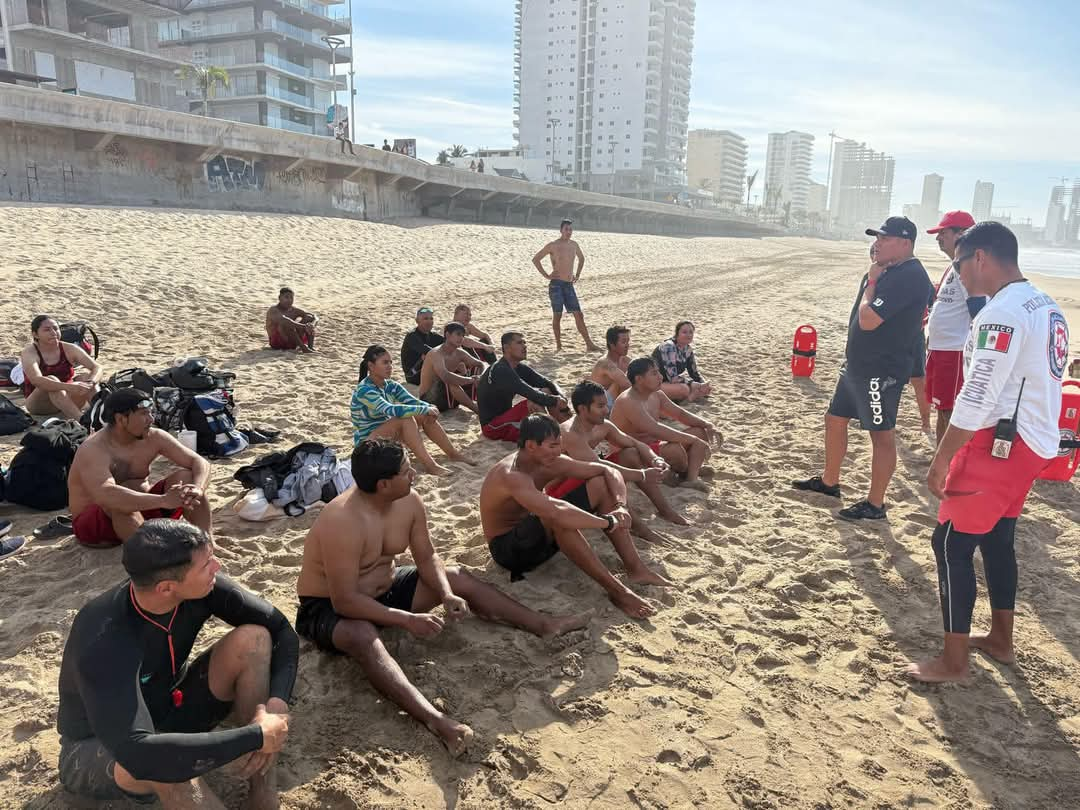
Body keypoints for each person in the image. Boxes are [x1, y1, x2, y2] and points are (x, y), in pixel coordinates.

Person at [295, 438, 589, 756]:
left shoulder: (408, 501)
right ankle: (436, 721)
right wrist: (407, 620)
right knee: (362, 633)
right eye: (406, 472)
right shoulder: (342, 520)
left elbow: (426, 556)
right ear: (383, 484)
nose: (414, 476)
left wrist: (446, 594)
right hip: (327, 607)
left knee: (456, 576)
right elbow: (344, 601)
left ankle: (543, 624)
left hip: (386, 590)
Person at [907, 222, 1069, 683]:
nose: (956, 274)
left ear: (980, 258)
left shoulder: (1004, 312)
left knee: (950, 544)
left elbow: (978, 394)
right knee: (998, 539)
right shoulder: (1045, 303)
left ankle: (953, 663)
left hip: (1003, 444)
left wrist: (941, 460)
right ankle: (1001, 640)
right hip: (1034, 439)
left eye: (958, 263)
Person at [56, 520, 296, 808]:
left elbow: (282, 630)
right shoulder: (104, 638)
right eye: (207, 563)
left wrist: (276, 705)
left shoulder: (201, 588)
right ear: (167, 588)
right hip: (99, 748)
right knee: (171, 770)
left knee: (254, 639)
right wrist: (255, 736)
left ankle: (262, 792)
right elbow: (140, 752)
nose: (217, 567)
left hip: (168, 709)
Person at [792, 216, 934, 521]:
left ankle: (875, 503)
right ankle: (830, 482)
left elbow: (868, 320)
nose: (878, 243)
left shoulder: (908, 275)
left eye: (885, 238)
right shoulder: (888, 270)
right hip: (857, 364)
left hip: (881, 370)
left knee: (881, 435)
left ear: (906, 243)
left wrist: (871, 281)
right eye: (877, 237)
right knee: (834, 418)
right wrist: (875, 274)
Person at [480, 414, 666, 619]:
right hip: (509, 551)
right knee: (558, 518)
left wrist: (620, 506)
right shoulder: (512, 475)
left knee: (600, 484)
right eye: (552, 446)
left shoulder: (551, 461)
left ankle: (636, 569)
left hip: (537, 533)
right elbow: (555, 511)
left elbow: (607, 470)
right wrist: (607, 522)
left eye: (559, 445)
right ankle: (619, 593)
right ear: (531, 446)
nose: (558, 451)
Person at [68, 389, 213, 548]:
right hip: (97, 528)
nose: (151, 419)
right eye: (144, 414)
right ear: (121, 419)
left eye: (151, 413)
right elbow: (106, 494)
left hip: (143, 514)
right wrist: (164, 500)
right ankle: (153, 555)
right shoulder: (94, 449)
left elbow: (198, 461)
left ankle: (206, 542)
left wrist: (198, 488)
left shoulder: (153, 437)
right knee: (120, 501)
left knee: (187, 478)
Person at [561, 380, 687, 527]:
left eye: (606, 405)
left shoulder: (603, 426)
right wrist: (643, 474)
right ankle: (638, 527)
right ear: (582, 409)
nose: (606, 410)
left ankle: (665, 510)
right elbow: (598, 465)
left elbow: (636, 444)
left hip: (588, 479)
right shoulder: (570, 432)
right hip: (562, 492)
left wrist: (655, 460)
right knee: (603, 475)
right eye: (600, 406)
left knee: (631, 453)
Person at [352, 344, 470, 476]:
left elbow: (412, 401)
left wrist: (428, 408)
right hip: (367, 444)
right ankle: (430, 465)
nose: (390, 366)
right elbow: (390, 409)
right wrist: (424, 409)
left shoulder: (390, 385)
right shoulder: (365, 390)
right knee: (405, 418)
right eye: (385, 362)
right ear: (371, 366)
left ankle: (452, 453)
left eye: (391, 362)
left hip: (385, 435)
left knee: (425, 416)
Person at [610, 357, 720, 491]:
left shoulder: (656, 394)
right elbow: (655, 429)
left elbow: (680, 414)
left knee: (700, 431)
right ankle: (686, 470)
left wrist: (707, 424)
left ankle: (691, 478)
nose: (661, 377)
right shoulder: (628, 401)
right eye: (654, 373)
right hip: (632, 454)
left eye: (658, 372)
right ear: (639, 379)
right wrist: (693, 440)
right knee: (676, 450)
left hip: (654, 448)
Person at [925, 211, 987, 444]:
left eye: (943, 233)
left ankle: (947, 462)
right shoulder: (955, 265)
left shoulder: (967, 266)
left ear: (961, 234)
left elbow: (979, 310)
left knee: (950, 411)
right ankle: (942, 457)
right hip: (942, 350)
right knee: (942, 409)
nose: (938, 237)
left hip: (954, 352)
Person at [477, 331, 569, 442]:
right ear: (506, 348)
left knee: (547, 391)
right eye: (520, 343)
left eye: (525, 342)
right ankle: (555, 438)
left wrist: (560, 395)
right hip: (492, 427)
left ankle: (569, 430)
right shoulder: (500, 369)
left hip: (508, 418)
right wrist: (556, 400)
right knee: (534, 402)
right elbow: (530, 393)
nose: (524, 346)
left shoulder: (518, 367)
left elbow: (547, 382)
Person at [531, 219, 601, 352]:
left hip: (569, 285)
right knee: (557, 315)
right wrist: (547, 275)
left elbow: (582, 258)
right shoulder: (553, 245)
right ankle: (559, 346)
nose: (569, 232)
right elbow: (536, 259)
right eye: (566, 229)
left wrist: (578, 274)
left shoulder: (574, 244)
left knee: (579, 314)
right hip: (556, 285)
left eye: (570, 229)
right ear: (561, 230)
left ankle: (589, 344)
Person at [19, 314, 102, 419]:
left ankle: (101, 415)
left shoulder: (69, 348)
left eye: (56, 328)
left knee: (86, 378)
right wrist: (68, 387)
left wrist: (91, 382)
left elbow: (97, 367)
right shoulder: (30, 352)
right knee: (52, 381)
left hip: (67, 399)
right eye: (47, 330)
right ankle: (81, 420)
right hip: (40, 405)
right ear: (35, 334)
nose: (53, 333)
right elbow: (37, 380)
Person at [418, 322, 486, 414]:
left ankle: (484, 403)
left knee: (477, 369)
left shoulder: (459, 353)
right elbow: (445, 376)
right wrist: (470, 380)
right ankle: (477, 409)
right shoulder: (436, 353)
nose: (461, 338)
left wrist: (479, 377)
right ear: (447, 335)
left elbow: (481, 364)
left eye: (462, 335)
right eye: (458, 334)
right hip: (430, 399)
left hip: (448, 397)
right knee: (451, 381)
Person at [652, 321, 712, 402]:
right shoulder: (668, 346)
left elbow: (694, 373)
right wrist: (691, 383)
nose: (688, 335)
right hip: (653, 382)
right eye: (684, 332)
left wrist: (703, 384)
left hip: (666, 382)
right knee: (684, 389)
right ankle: (689, 397)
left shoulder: (687, 349)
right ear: (677, 334)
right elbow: (672, 377)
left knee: (692, 387)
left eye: (691, 332)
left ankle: (695, 393)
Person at [591, 325, 632, 410]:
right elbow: (626, 384)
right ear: (612, 344)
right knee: (619, 382)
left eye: (628, 341)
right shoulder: (605, 363)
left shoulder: (623, 359)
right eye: (623, 342)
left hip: (613, 400)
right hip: (601, 405)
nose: (627, 345)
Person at [266, 287, 317, 352]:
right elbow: (284, 320)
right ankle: (304, 348)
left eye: (291, 298)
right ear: (279, 298)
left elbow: (313, 317)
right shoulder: (273, 310)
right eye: (286, 297)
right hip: (277, 343)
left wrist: (311, 325)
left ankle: (310, 347)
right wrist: (304, 326)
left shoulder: (294, 310)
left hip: (293, 342)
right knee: (286, 324)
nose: (289, 300)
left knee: (308, 318)